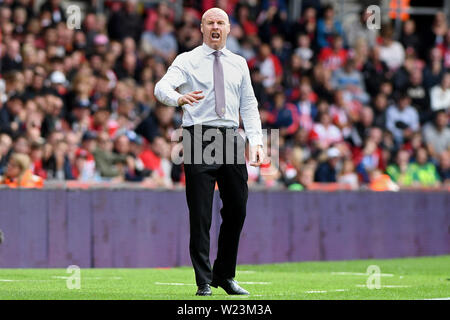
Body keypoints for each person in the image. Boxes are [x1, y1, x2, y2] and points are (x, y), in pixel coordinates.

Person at [154, 8, 264, 296]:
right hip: (199, 136)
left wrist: (256, 140)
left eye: (220, 22)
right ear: (202, 28)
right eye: (210, 22)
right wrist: (178, 97)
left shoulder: (240, 63)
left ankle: (224, 275)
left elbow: (249, 105)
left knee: (237, 208)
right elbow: (160, 87)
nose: (215, 27)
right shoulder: (187, 60)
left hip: (230, 138)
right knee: (201, 212)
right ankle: (204, 281)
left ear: (228, 29)